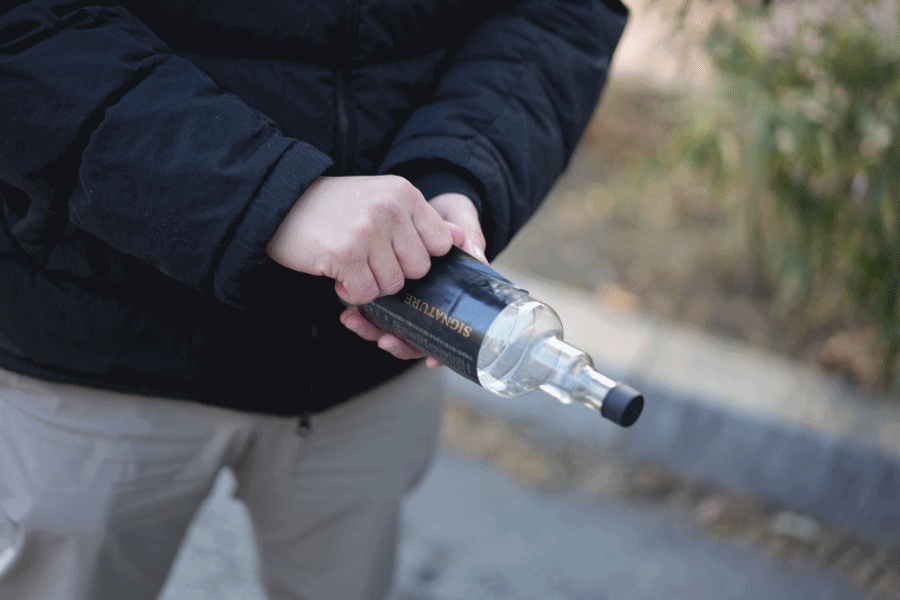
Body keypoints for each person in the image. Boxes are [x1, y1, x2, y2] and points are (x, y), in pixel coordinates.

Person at [0, 0, 628, 598]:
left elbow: (559, 11)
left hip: (361, 377)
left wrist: (456, 171)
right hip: (96, 347)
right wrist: (269, 196)